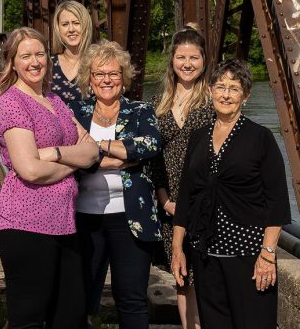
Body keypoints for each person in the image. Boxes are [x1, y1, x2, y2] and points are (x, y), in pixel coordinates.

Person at [0, 27, 100, 328]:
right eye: (25, 56)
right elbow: (30, 170)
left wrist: (52, 152)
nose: (34, 62)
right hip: (26, 224)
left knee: (70, 316)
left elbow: (91, 150)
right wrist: (74, 160)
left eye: (40, 54)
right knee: (29, 318)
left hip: (64, 224)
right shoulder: (12, 102)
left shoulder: (55, 101)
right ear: (12, 62)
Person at [172, 58, 291, 329]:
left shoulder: (260, 138)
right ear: (211, 90)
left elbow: (277, 203)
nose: (226, 94)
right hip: (205, 257)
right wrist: (178, 248)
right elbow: (187, 194)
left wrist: (268, 254)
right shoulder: (199, 136)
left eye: (234, 88)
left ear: (245, 95)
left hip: (248, 259)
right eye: (221, 86)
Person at [71, 40, 162, 329]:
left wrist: (95, 148)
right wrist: (121, 156)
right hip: (84, 217)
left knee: (132, 299)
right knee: (80, 298)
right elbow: (71, 154)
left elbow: (149, 145)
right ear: (89, 78)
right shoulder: (75, 111)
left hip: (130, 218)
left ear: (124, 78)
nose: (106, 80)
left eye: (113, 73)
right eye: (99, 74)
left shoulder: (141, 110)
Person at [149, 27, 214, 328]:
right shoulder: (158, 103)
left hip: (204, 203)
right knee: (181, 275)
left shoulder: (214, 101)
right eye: (181, 57)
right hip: (170, 204)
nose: (187, 63)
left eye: (194, 57)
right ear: (172, 60)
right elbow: (151, 158)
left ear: (204, 61)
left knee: (203, 274)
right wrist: (165, 201)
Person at [50, 0, 93, 108]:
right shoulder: (47, 65)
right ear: (58, 29)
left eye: (76, 23)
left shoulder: (98, 63)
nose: (71, 29)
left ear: (85, 26)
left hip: (89, 125)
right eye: (65, 24)